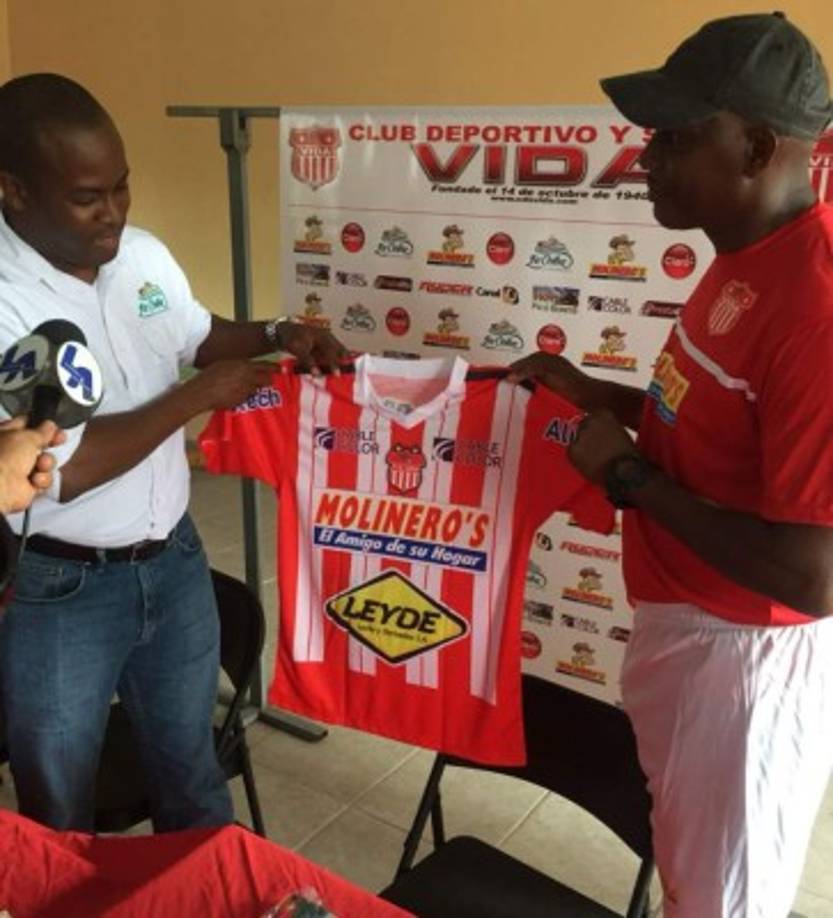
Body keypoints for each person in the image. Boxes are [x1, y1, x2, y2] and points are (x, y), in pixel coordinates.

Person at [510, 13, 833, 918]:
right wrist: (599, 394)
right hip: (692, 632)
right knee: (695, 880)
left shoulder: (814, 309)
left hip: (744, 665)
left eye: (674, 139)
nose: (644, 160)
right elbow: (706, 423)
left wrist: (628, 480)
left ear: (757, 145)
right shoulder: (744, 259)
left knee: (724, 902)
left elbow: (814, 576)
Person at [0, 73, 347, 833]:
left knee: (190, 768)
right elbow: (63, 468)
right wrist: (197, 397)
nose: (114, 215)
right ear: (15, 192)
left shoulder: (141, 254)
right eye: (89, 197)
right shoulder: (6, 301)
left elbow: (193, 335)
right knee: (59, 804)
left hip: (175, 562)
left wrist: (274, 332)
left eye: (122, 188)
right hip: (62, 591)